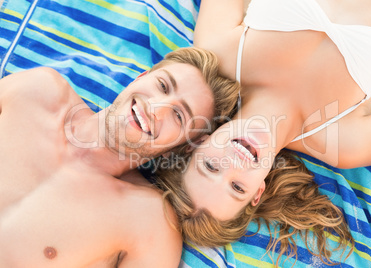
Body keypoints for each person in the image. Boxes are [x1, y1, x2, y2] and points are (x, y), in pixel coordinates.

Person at [157, 0, 371, 265]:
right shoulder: (342, 143)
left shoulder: (219, 53)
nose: (233, 164)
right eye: (237, 187)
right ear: (257, 193)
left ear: (200, 143)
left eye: (211, 166)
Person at [0, 47, 240, 267]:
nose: (155, 108)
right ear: (140, 77)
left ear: (185, 146)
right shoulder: (37, 91)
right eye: (163, 86)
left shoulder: (149, 224)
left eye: (178, 115)